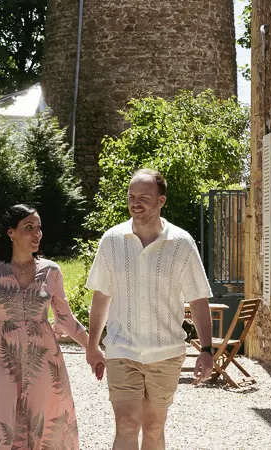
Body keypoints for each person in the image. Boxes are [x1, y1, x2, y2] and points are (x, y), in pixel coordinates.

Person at [84, 169, 215, 450]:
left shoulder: (181, 243)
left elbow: (198, 300)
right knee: (127, 424)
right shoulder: (111, 241)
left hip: (166, 352)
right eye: (132, 196)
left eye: (144, 196)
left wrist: (206, 350)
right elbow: (101, 295)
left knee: (154, 427)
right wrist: (92, 345)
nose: (136, 202)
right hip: (122, 349)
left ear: (161, 201)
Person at [0, 204, 90, 450]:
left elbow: (65, 318)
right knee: (0, 427)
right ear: (11, 232)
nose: (36, 234)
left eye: (39, 228)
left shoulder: (51, 271)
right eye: (28, 227)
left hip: (42, 359)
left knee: (44, 425)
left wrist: (92, 349)